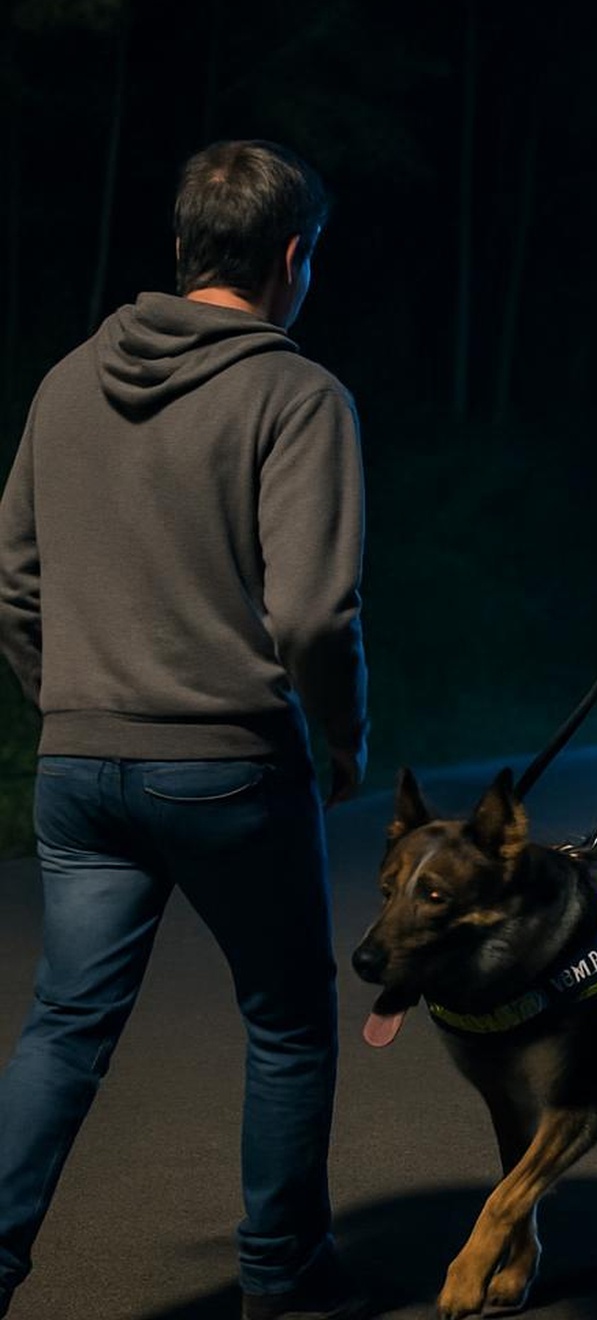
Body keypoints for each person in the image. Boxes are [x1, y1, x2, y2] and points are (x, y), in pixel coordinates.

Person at [0, 139, 370, 1320]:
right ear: (293, 258)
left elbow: (11, 579)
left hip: (75, 759)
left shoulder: (65, 381)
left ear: (179, 248)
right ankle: (282, 1279)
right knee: (288, 1018)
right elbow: (313, 609)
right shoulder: (296, 393)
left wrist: (68, 696)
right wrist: (342, 735)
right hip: (226, 765)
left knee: (64, 1028)